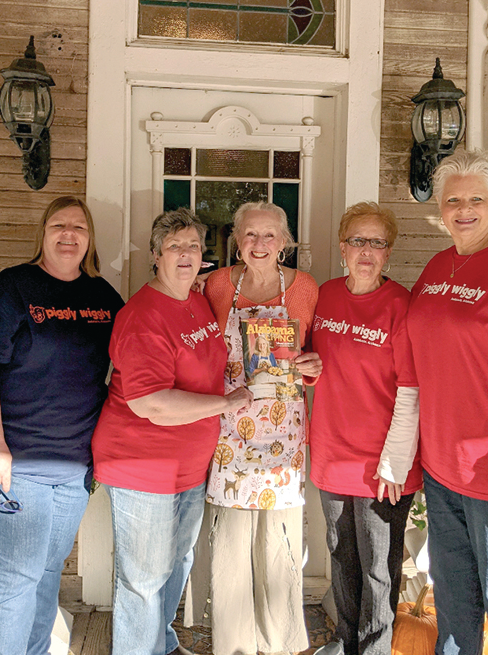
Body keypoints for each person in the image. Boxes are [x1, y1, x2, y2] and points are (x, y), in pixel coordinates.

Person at [0, 196, 124, 655]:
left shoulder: (102, 297)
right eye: (59, 225)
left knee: (48, 571)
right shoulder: (14, 287)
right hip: (18, 462)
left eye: (79, 227)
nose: (69, 234)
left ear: (90, 239)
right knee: (18, 574)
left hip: (74, 466)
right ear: (44, 233)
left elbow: (140, 353)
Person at [91, 208, 252, 655]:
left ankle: (159, 644)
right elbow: (152, 404)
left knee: (176, 564)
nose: (186, 254)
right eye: (175, 246)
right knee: (142, 580)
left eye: (194, 246)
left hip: (188, 466)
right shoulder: (144, 316)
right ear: (156, 256)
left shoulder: (195, 300)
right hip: (143, 466)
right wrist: (225, 404)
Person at [408, 150, 488, 655]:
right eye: (453, 200)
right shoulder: (438, 266)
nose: (465, 209)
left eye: (476, 199)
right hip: (443, 470)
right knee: (455, 609)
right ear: (440, 209)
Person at [186, 201, 322, 655]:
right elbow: (202, 346)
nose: (259, 244)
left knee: (278, 537)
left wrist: (312, 365)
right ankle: (233, 644)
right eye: (250, 235)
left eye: (270, 236)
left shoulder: (305, 289)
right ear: (236, 241)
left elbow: (317, 357)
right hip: (230, 426)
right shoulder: (219, 285)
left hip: (283, 432)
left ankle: (278, 641)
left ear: (285, 242)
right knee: (230, 539)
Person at [309, 201, 421, 655]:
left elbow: (412, 391)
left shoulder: (402, 306)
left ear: (388, 253)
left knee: (379, 569)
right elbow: (317, 363)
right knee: (342, 557)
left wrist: (394, 464)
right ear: (343, 247)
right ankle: (345, 640)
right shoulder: (327, 295)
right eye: (359, 240)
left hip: (383, 466)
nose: (367, 251)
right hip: (332, 455)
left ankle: (373, 648)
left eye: (378, 242)